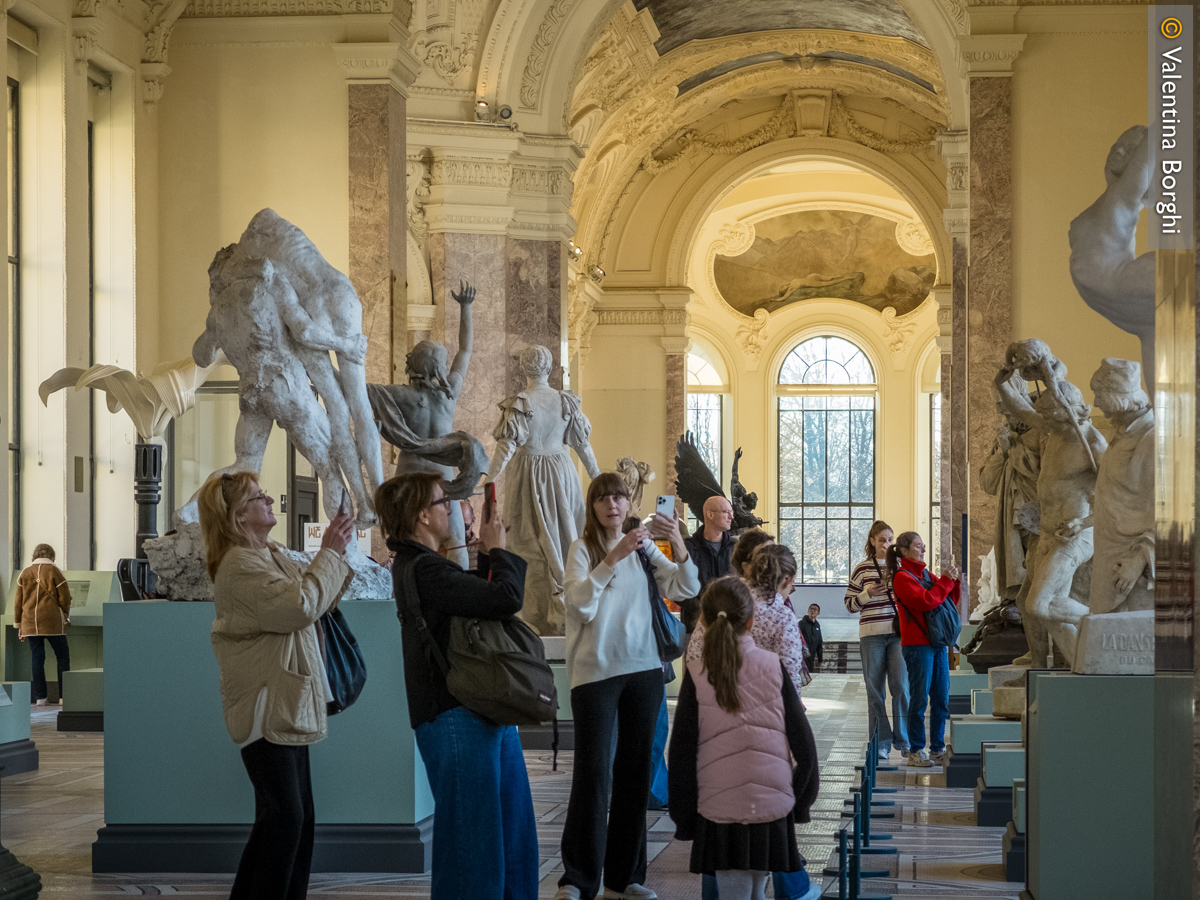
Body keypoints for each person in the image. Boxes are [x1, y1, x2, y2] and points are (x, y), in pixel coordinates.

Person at [200, 471, 356, 900]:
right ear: (237, 518)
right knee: (287, 819)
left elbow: (317, 595)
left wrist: (338, 551)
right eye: (257, 497)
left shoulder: (267, 554)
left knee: (289, 819)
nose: (269, 500)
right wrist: (329, 553)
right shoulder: (239, 565)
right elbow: (300, 605)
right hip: (266, 705)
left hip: (284, 701)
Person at [383, 472, 538, 900]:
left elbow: (479, 602)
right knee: (474, 850)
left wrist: (488, 554)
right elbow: (505, 599)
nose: (452, 509)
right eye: (443, 502)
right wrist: (499, 551)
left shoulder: (429, 566)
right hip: (454, 715)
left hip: (479, 708)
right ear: (423, 517)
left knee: (512, 836)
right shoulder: (422, 568)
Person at [556, 473, 699, 900]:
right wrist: (612, 558)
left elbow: (685, 585)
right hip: (594, 672)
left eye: (617, 497)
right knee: (592, 774)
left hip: (643, 671)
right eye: (602, 498)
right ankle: (578, 879)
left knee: (636, 774)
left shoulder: (642, 544)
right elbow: (578, 604)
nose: (612, 505)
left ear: (627, 501)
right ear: (593, 506)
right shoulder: (582, 549)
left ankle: (625, 878)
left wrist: (677, 541)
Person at [668, 576, 820, 900]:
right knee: (755, 891)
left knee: (734, 893)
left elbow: (681, 754)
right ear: (750, 622)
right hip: (773, 805)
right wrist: (800, 803)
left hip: (719, 807)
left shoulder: (697, 673)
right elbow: (805, 748)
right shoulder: (773, 667)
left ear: (704, 621)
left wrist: (684, 818)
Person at [887, 531, 961, 768]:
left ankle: (937, 747)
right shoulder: (901, 577)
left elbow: (948, 601)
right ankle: (916, 750)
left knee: (941, 696)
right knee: (919, 698)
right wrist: (946, 581)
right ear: (905, 550)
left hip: (937, 643)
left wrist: (954, 581)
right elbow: (926, 601)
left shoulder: (927, 574)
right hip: (918, 645)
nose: (923, 549)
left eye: (923, 545)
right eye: (918, 546)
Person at [687, 544, 804, 692]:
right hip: (762, 699)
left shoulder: (725, 597)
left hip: (714, 695)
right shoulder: (783, 618)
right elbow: (789, 674)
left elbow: (695, 654)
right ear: (787, 580)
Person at [845, 521, 909, 760]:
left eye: (890, 539)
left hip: (897, 635)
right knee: (875, 691)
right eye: (882, 540)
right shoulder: (862, 569)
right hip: (871, 635)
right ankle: (881, 740)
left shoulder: (901, 567)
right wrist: (867, 593)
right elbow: (850, 605)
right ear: (872, 541)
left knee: (901, 687)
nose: (887, 544)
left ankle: (903, 739)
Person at [14, 544, 72, 706]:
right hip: (53, 621)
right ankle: (63, 697)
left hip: (30, 623)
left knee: (37, 658)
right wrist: (65, 615)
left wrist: (20, 626)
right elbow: (65, 598)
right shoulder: (55, 572)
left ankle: (41, 697)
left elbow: (18, 603)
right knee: (62, 657)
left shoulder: (24, 573)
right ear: (52, 556)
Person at [680, 496, 735, 632]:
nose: (731, 517)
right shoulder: (688, 547)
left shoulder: (736, 547)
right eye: (726, 512)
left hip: (730, 622)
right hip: (696, 623)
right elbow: (679, 586)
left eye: (731, 512)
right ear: (710, 514)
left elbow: (742, 582)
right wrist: (701, 611)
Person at [798, 605, 823, 672]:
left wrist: (820, 659)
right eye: (811, 609)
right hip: (802, 656)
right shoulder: (802, 623)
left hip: (811, 657)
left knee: (810, 674)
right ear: (808, 611)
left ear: (818, 613)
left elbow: (819, 642)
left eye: (815, 609)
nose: (812, 611)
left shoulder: (817, 625)